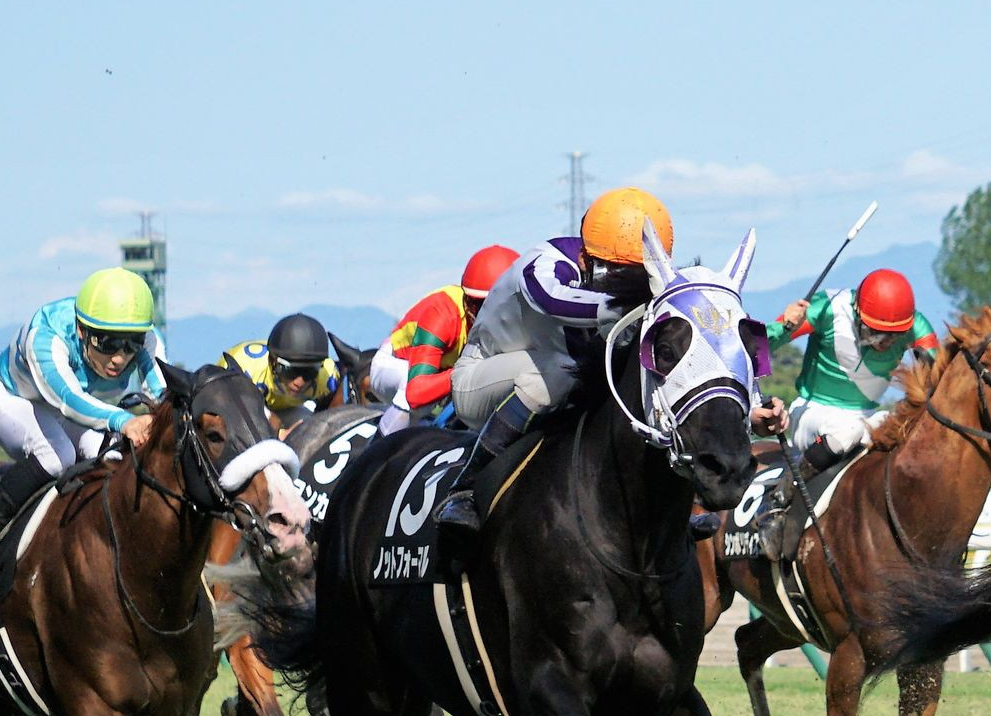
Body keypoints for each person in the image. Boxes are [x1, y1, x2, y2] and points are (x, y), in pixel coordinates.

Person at [432, 188, 671, 535]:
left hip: (557, 383)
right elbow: (550, 300)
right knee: (557, 372)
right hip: (480, 381)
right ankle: (464, 488)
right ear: (587, 258)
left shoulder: (597, 269)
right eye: (620, 274)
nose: (629, 286)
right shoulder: (544, 264)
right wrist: (625, 305)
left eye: (639, 277)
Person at [0, 269, 169, 608]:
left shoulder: (147, 339)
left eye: (131, 344)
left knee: (115, 456)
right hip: (16, 400)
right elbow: (69, 401)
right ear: (82, 330)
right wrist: (125, 421)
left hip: (73, 411)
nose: (120, 357)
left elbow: (163, 394)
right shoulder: (47, 337)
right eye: (107, 344)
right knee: (57, 456)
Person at [759, 266, 939, 553]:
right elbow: (759, 347)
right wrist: (786, 326)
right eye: (876, 333)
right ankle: (781, 496)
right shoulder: (827, 307)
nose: (885, 344)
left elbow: (939, 379)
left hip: (866, 416)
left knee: (907, 430)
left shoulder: (917, 326)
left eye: (894, 336)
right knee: (848, 431)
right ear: (856, 312)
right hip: (813, 411)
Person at [373, 244, 521, 431]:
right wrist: (469, 370)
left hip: (444, 374)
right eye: (484, 305)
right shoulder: (442, 313)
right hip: (397, 367)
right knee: (414, 396)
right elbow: (416, 393)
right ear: (468, 302)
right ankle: (378, 447)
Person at [227, 312, 348, 426]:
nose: (299, 382)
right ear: (272, 361)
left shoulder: (328, 377)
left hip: (291, 408)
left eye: (309, 372)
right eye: (291, 371)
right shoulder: (246, 370)